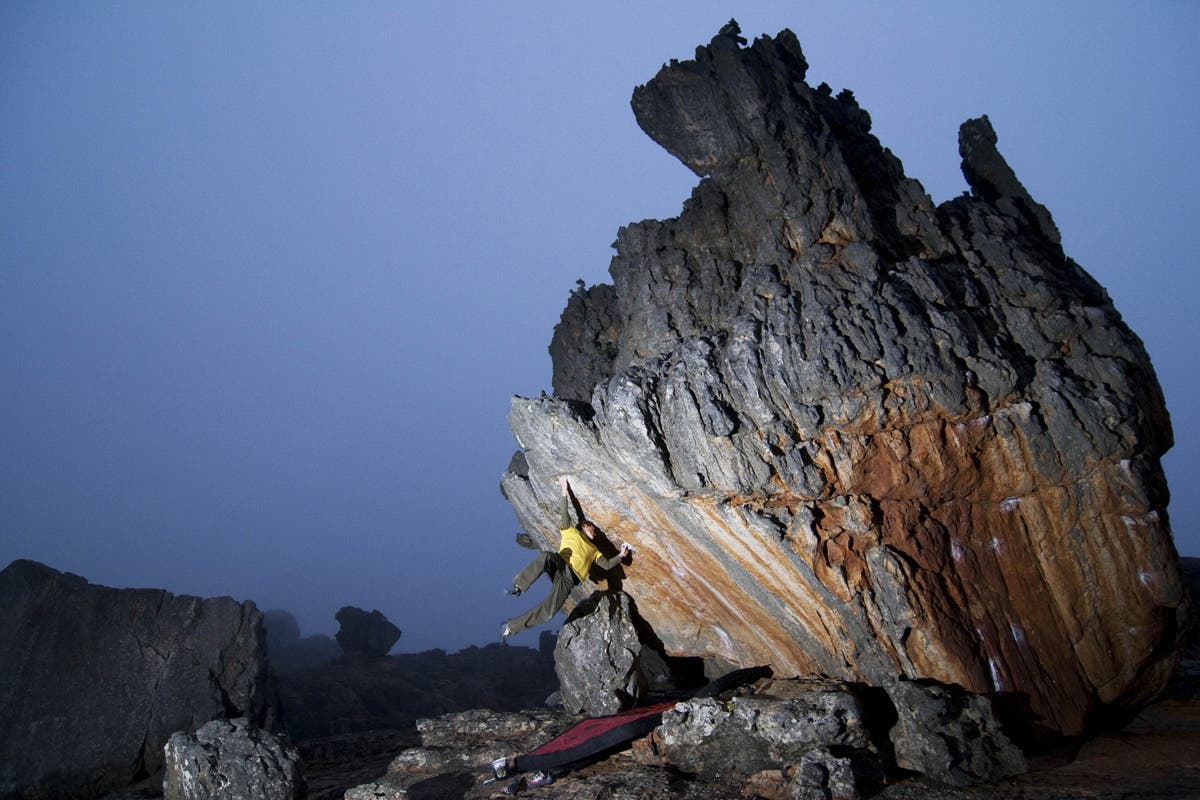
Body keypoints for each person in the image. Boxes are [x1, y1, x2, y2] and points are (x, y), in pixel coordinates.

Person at [501, 476, 631, 642]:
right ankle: (518, 586)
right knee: (546, 556)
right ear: (584, 526)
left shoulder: (594, 550)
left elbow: (606, 565)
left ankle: (510, 628)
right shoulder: (570, 531)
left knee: (550, 611)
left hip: (570, 580)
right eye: (592, 528)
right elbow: (565, 512)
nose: (595, 531)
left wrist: (620, 555)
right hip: (560, 565)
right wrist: (564, 488)